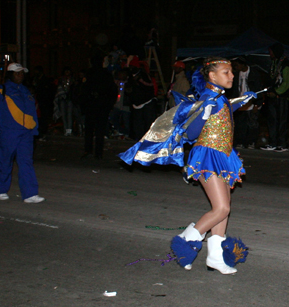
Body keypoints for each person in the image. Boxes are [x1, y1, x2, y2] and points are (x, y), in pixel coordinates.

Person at [119, 58, 256, 274]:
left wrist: (240, 101)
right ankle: (186, 240)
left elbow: (224, 111)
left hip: (223, 155)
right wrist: (203, 115)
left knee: (222, 210)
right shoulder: (207, 98)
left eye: (231, 72)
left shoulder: (220, 97)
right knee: (222, 208)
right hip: (207, 157)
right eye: (226, 72)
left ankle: (215, 258)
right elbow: (191, 134)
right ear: (212, 76)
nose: (231, 75)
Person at [0, 63, 45, 204]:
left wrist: (34, 130)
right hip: (8, 132)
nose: (20, 75)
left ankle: (30, 194)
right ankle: (0, 189)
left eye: (22, 73)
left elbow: (32, 112)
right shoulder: (1, 90)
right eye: (17, 73)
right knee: (5, 161)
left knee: (26, 162)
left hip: (25, 134)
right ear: (10, 74)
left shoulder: (25, 90)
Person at [80, 56, 118, 159]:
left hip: (98, 105)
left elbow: (112, 91)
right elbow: (84, 90)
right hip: (96, 105)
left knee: (94, 130)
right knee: (96, 130)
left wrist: (108, 104)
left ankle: (93, 151)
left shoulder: (102, 74)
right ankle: (95, 152)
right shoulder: (98, 74)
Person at [261, 43, 289, 152]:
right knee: (272, 121)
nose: (270, 54)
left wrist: (277, 92)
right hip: (272, 96)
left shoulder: (286, 64)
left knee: (281, 121)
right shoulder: (273, 63)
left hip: (282, 97)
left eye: (271, 52)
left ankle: (283, 144)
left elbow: (287, 82)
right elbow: (271, 79)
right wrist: (269, 90)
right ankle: (273, 143)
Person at [230, 59, 262, 149]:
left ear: (243, 64)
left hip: (251, 102)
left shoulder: (253, 73)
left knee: (252, 124)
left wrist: (257, 104)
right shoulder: (236, 75)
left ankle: (251, 142)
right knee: (240, 124)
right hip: (241, 103)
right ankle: (241, 142)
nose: (236, 67)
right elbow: (235, 89)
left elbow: (258, 88)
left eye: (237, 65)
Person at [54, 67, 75, 136]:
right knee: (63, 114)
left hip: (70, 99)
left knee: (69, 114)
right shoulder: (61, 80)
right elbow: (58, 89)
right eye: (66, 71)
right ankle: (65, 129)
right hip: (62, 98)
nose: (67, 73)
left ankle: (69, 130)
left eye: (68, 71)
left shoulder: (73, 80)